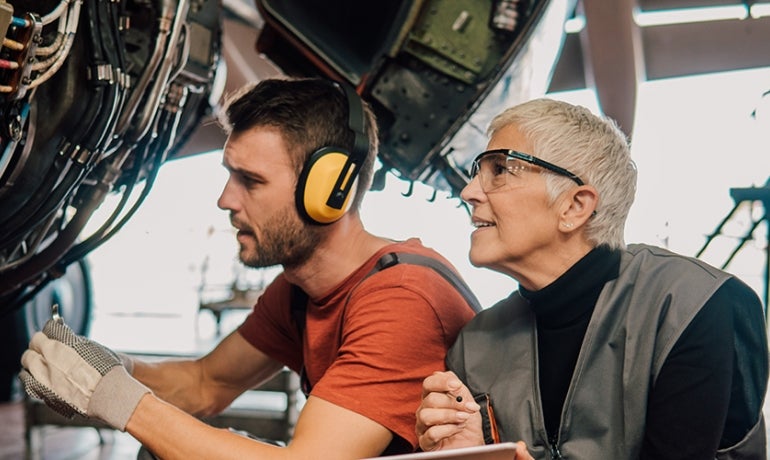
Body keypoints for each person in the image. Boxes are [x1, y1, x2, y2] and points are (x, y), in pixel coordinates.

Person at [19, 77, 479, 459]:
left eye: (251, 181)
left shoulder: (402, 299)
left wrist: (118, 400)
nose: (225, 200)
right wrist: (109, 368)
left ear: (330, 193)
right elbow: (206, 383)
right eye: (229, 174)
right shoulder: (300, 289)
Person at [415, 98, 769, 459]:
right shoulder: (475, 346)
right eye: (478, 172)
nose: (468, 192)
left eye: (501, 170)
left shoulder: (694, 306)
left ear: (575, 206)